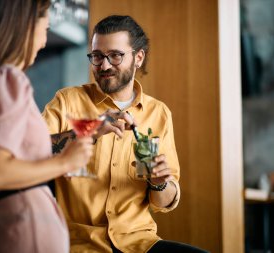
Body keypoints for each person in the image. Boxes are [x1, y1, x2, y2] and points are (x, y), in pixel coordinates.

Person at [43, 15, 208, 253]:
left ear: (138, 57)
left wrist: (159, 183)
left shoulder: (158, 114)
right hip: (80, 244)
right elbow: (30, 149)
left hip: (139, 243)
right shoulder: (67, 101)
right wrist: (90, 131)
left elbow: (164, 201)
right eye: (97, 56)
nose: (105, 65)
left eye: (115, 56)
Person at [0, 1, 93, 252]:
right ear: (26, 26)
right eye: (45, 29)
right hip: (25, 233)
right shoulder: (7, 80)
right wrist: (65, 162)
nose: (43, 42)